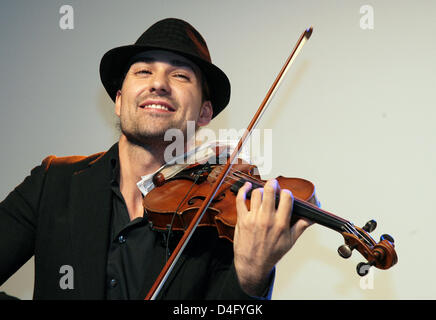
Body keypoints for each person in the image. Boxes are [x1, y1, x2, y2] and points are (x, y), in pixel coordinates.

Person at [0, 18, 311, 300]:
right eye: (143, 71)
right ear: (119, 101)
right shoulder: (52, 181)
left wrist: (251, 278)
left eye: (179, 75)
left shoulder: (222, 219)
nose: (159, 83)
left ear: (205, 112)